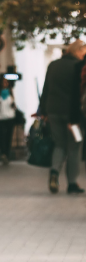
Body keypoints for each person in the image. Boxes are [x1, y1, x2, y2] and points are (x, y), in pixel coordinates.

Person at [38, 39, 85, 194]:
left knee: (59, 144)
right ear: (77, 51)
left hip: (53, 111)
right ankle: (72, 183)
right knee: (75, 145)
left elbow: (46, 88)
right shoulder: (78, 67)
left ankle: (54, 173)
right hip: (73, 115)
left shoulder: (53, 65)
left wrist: (43, 111)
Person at [0, 86, 18, 165]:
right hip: (0, 118)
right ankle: (3, 153)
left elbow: (14, 107)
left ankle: (7, 154)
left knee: (8, 137)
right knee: (1, 136)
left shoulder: (11, 95)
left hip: (10, 118)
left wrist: (13, 104)